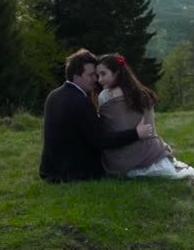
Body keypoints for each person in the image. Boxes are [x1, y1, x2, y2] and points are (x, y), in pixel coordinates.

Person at [39, 49, 155, 183]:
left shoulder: (53, 95)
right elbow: (102, 141)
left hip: (50, 170)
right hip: (75, 173)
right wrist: (136, 133)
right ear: (76, 77)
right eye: (91, 75)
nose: (96, 80)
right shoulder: (80, 101)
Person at [95, 53, 194, 179]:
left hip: (121, 160)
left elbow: (110, 130)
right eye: (98, 75)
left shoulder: (105, 96)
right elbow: (150, 129)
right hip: (149, 153)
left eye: (103, 74)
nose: (99, 80)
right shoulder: (143, 94)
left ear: (117, 73)